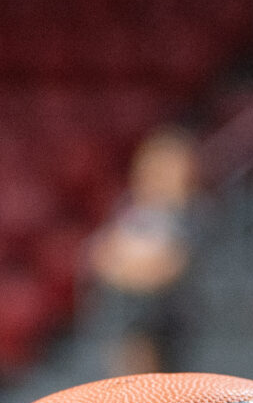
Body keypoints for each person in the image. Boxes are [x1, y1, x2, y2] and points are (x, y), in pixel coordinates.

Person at [85, 127, 200, 375]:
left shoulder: (192, 216)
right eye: (154, 166)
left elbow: (163, 269)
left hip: (163, 326)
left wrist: (125, 267)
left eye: (170, 168)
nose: (160, 176)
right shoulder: (127, 210)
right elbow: (99, 257)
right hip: (123, 322)